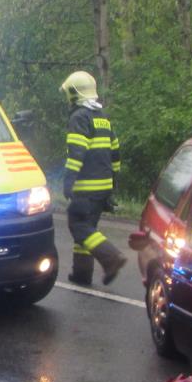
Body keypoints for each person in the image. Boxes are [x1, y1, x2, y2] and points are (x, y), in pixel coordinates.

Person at [59, 70, 127, 286]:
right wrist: (112, 184)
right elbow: (115, 153)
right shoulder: (102, 118)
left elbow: (76, 153)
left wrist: (68, 181)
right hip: (103, 186)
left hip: (86, 187)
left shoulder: (79, 117)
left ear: (73, 93)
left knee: (78, 225)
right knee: (88, 229)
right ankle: (82, 273)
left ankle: (111, 258)